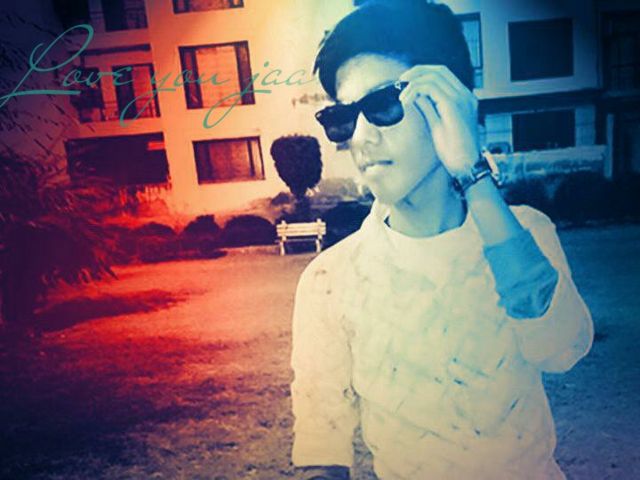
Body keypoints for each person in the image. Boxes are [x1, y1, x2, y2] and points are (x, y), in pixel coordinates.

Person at [289, 1, 594, 479]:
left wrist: (473, 174)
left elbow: (561, 348)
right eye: (344, 118)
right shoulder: (330, 280)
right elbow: (320, 443)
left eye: (383, 105)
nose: (360, 139)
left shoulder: (523, 234)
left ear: (446, 99)